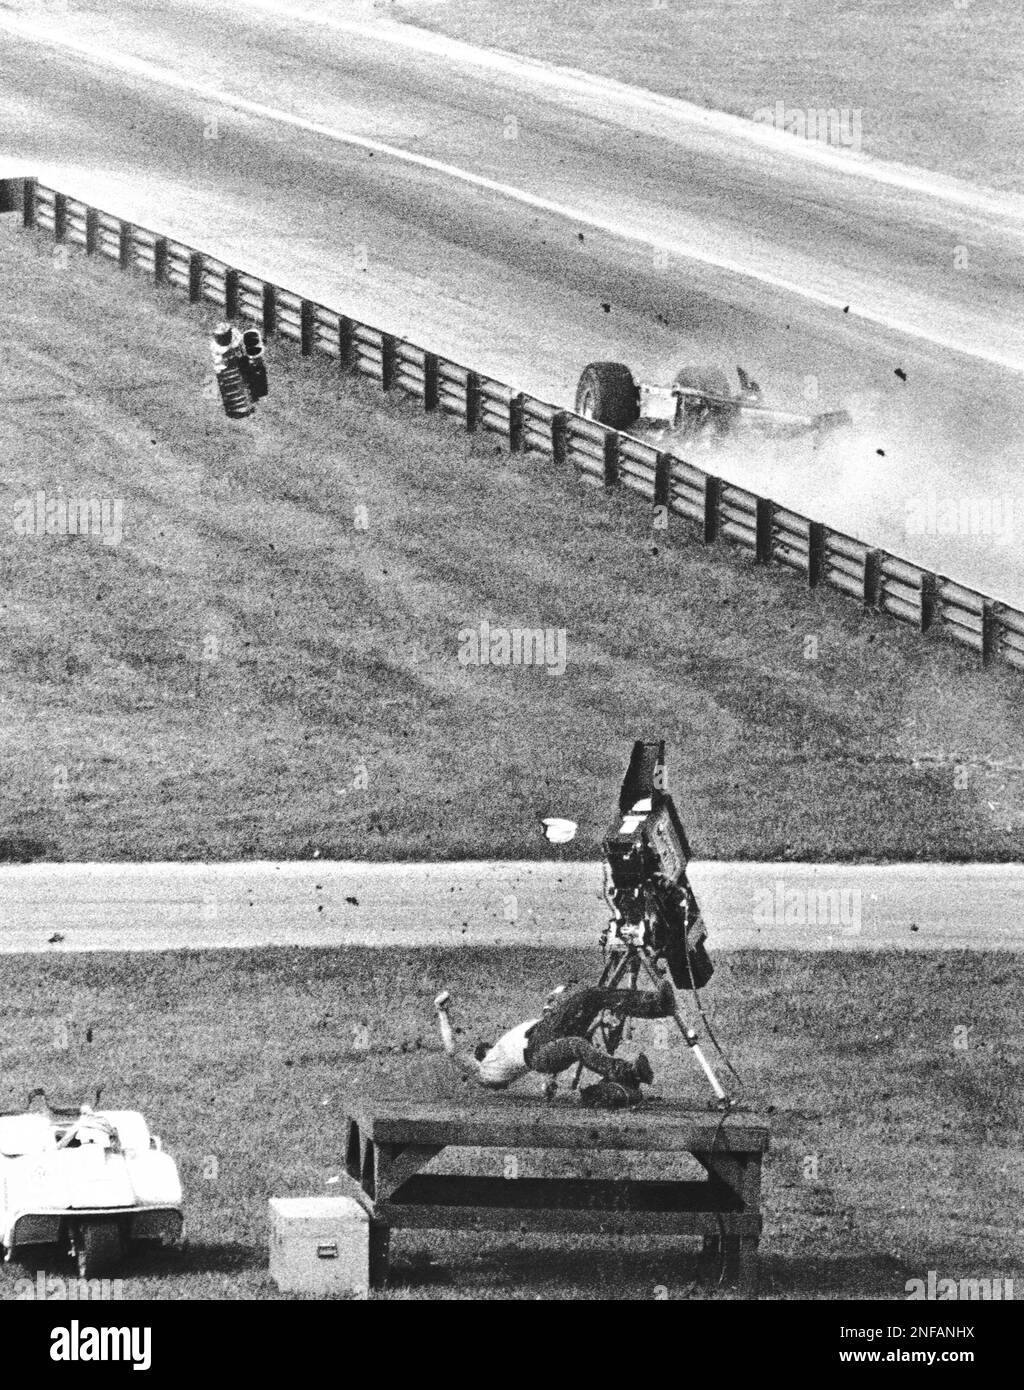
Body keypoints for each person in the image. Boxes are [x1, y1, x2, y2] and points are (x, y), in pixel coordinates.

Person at [433, 979, 677, 1096]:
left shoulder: (503, 1049)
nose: (484, 1046)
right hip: (538, 1051)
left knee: (591, 996)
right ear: (481, 1057)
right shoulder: (485, 1072)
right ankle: (627, 1071)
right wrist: (442, 1013)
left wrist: (551, 1002)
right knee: (576, 1044)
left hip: (543, 1038)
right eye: (482, 1049)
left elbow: (545, 1027)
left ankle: (657, 1005)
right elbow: (452, 1051)